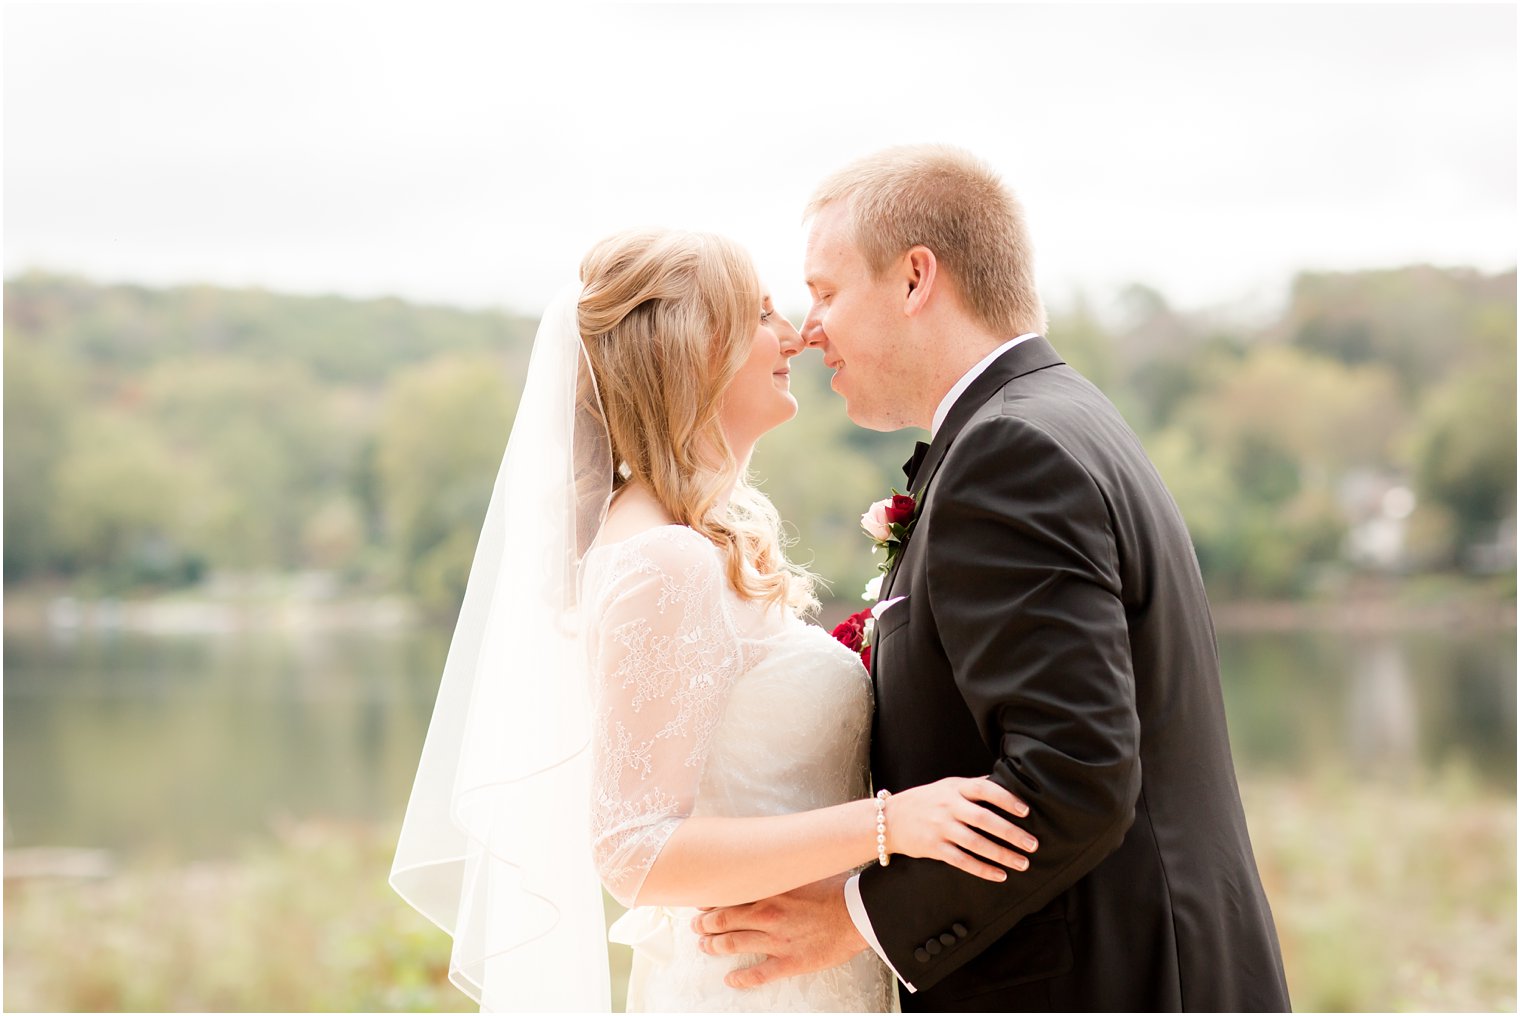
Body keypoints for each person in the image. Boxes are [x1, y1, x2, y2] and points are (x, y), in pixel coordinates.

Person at [692, 146, 1293, 1011]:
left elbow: (1073, 772)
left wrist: (856, 919)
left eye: (825, 291)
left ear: (914, 278)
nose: (808, 327)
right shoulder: (1058, 416)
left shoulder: (1010, 455)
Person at [390, 227, 1039, 1012]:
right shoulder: (663, 561)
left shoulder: (684, 542)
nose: (797, 335)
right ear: (692, 350)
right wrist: (888, 825)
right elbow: (636, 850)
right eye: (762, 315)